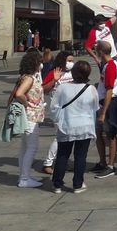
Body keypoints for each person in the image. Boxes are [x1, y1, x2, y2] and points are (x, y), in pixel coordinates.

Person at [50, 61, 99, 194]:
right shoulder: (91, 89)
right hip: (84, 126)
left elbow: (54, 107)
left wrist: (57, 120)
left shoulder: (62, 88)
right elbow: (95, 107)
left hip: (67, 125)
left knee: (62, 155)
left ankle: (57, 184)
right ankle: (77, 184)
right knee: (80, 156)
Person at [12, 50, 46, 187]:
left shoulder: (27, 76)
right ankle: (24, 179)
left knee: (24, 147)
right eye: (40, 62)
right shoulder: (29, 79)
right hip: (30, 116)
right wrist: (27, 103)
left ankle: (23, 175)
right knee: (32, 147)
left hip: (29, 115)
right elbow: (19, 94)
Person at [40, 51, 73, 174]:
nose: (71, 63)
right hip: (59, 110)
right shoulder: (53, 72)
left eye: (72, 61)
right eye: (69, 61)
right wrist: (54, 80)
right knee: (60, 136)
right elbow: (43, 89)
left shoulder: (71, 73)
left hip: (71, 110)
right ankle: (48, 163)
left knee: (68, 138)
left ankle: (62, 162)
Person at [92, 42, 117, 178]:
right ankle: (103, 162)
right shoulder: (107, 65)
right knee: (99, 133)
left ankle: (111, 165)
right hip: (102, 102)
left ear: (101, 53)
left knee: (110, 134)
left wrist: (103, 112)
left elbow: (109, 90)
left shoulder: (110, 67)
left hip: (108, 104)